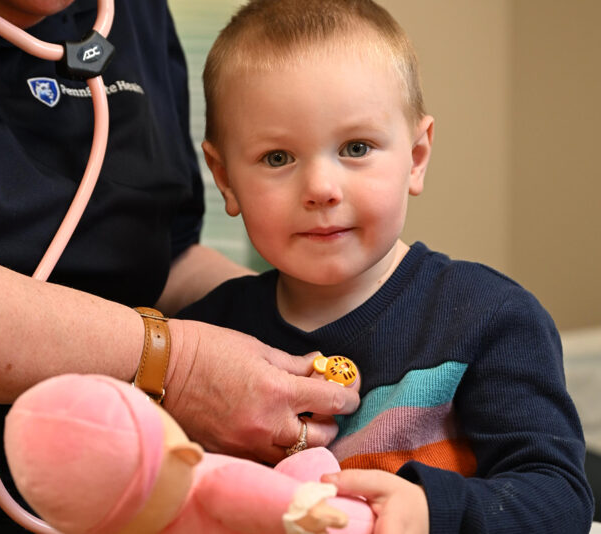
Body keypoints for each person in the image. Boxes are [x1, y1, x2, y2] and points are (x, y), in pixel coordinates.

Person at [0, 1, 360, 532]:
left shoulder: (134, 14)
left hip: (128, 496)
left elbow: (171, 260)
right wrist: (176, 365)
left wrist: (343, 319)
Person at [177, 0, 595, 532]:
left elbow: (558, 499)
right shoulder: (203, 345)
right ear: (225, 178)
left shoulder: (492, 319)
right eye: (278, 158)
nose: (322, 190)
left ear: (416, 157)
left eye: (356, 147)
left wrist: (432, 510)